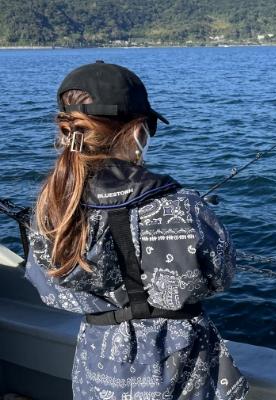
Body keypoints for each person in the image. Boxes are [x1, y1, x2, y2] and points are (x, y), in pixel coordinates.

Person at [24, 61, 250, 400]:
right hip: (180, 369)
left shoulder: (50, 206)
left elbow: (48, 286)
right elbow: (221, 274)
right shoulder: (179, 204)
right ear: (137, 131)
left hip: (96, 365)